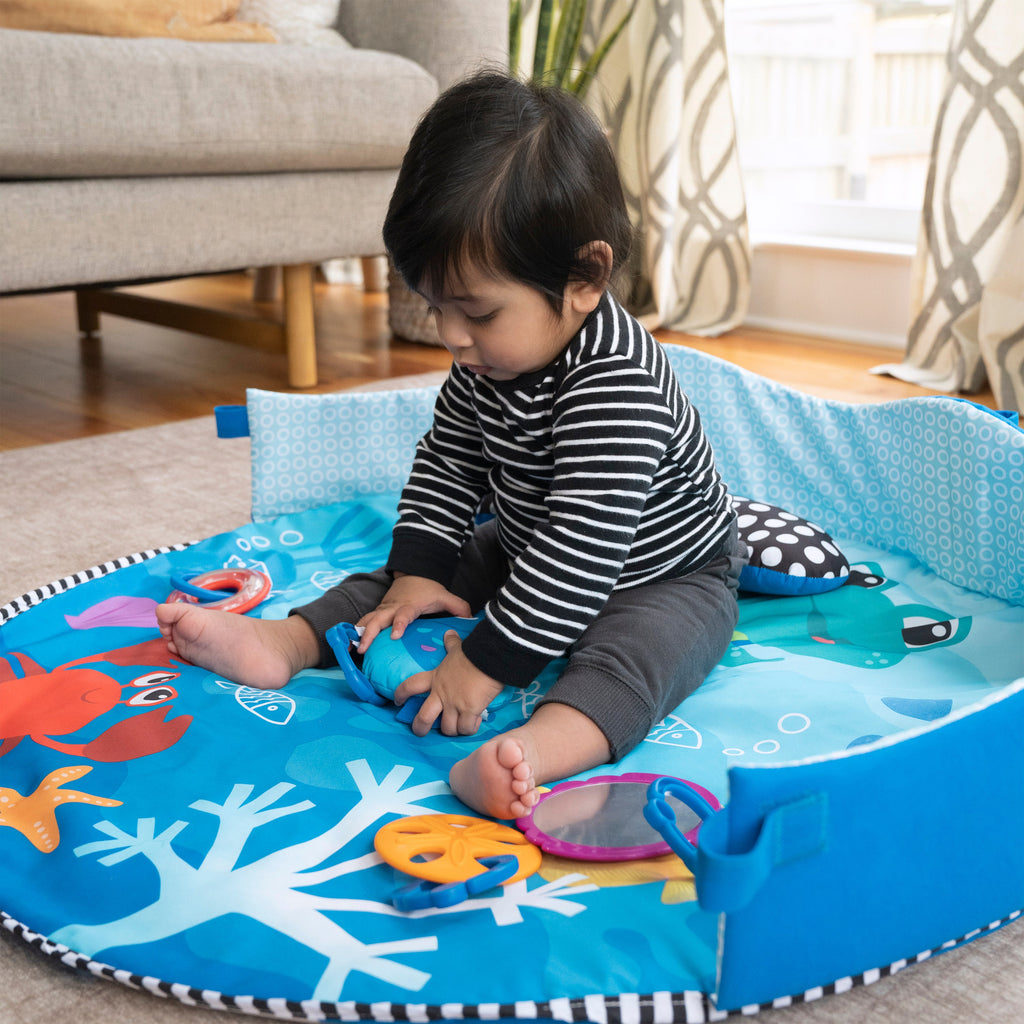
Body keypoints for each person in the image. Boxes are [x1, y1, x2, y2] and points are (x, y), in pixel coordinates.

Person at [156, 71, 745, 820]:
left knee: (641, 659)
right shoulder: (488, 359)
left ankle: (531, 754)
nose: (452, 337)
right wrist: (419, 574)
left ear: (586, 276)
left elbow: (582, 549)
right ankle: (289, 641)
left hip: (662, 572)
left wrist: (484, 665)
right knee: (401, 585)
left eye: (477, 312)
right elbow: (448, 461)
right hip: (532, 544)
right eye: (437, 307)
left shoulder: (617, 385)